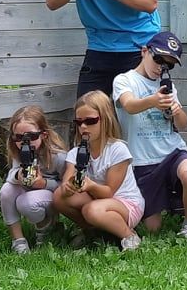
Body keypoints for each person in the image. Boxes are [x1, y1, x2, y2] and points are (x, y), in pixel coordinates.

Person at [111, 31, 187, 239]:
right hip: (141, 160)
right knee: (152, 227)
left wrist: (175, 111)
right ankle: (170, 202)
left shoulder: (168, 86)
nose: (161, 67)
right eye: (158, 59)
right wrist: (153, 101)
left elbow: (184, 124)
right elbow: (129, 105)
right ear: (145, 51)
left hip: (172, 151)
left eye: (168, 65)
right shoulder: (124, 80)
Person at [53, 91, 146, 253]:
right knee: (58, 196)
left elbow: (109, 192)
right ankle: (92, 231)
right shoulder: (76, 153)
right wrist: (68, 187)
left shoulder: (118, 150)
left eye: (90, 121)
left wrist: (89, 185)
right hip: (97, 201)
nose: (83, 127)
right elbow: (67, 182)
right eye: (79, 122)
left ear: (105, 120)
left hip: (125, 203)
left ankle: (129, 235)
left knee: (92, 210)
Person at [0, 105, 71, 254]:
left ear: (43, 135)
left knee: (27, 202)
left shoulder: (57, 156)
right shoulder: (18, 151)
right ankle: (18, 240)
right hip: (28, 189)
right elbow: (12, 175)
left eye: (31, 137)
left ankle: (46, 228)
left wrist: (44, 183)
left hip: (50, 196)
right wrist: (18, 176)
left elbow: (67, 187)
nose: (25, 142)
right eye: (19, 137)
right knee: (6, 190)